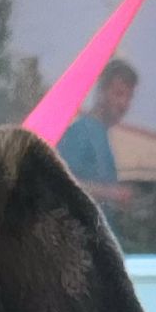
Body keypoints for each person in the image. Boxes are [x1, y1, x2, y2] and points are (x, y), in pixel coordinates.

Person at [57, 58, 138, 226]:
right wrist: (112, 193)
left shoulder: (102, 136)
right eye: (118, 94)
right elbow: (59, 183)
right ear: (101, 92)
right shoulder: (81, 132)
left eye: (129, 97)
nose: (124, 103)